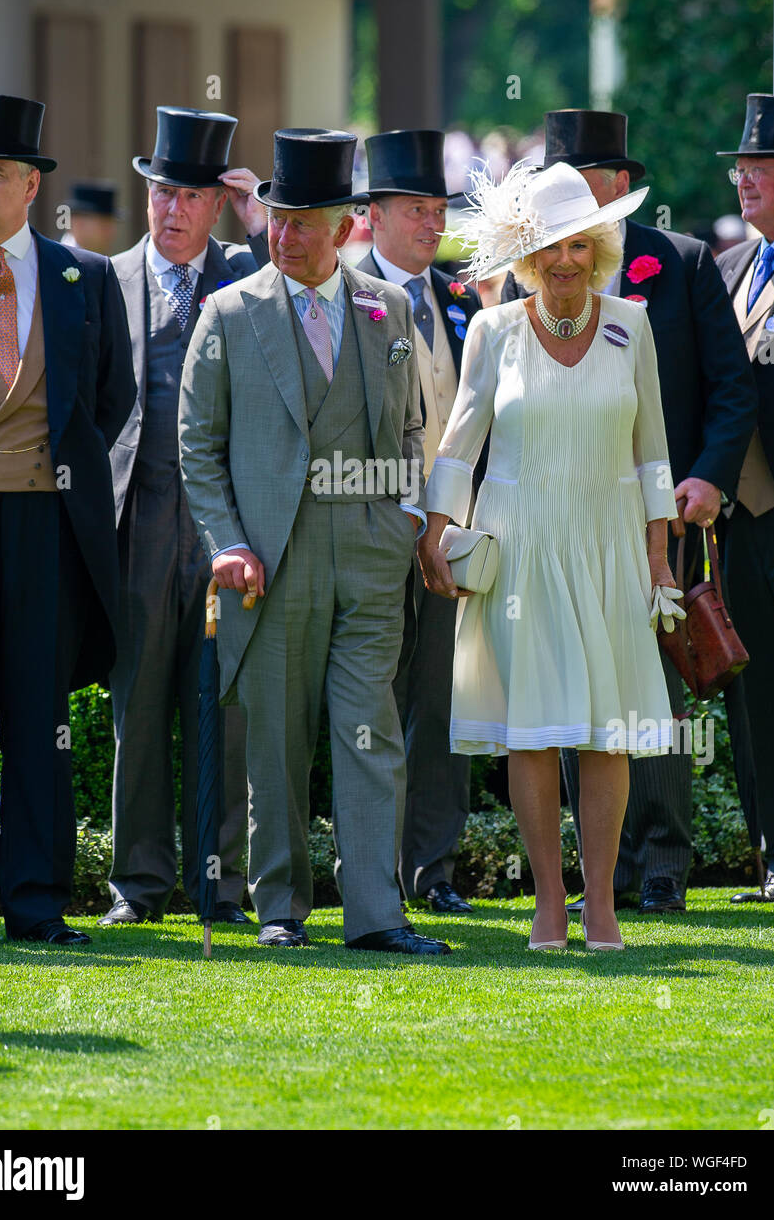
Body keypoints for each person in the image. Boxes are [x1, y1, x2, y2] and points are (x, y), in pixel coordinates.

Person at [179, 127, 449, 955]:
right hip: (270, 560)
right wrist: (226, 542)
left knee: (370, 733)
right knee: (278, 739)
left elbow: (409, 427)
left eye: (303, 221)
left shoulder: (389, 309)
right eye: (276, 218)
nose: (284, 235)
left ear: (344, 227)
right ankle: (280, 910)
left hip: (368, 558)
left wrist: (404, 517)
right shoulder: (228, 313)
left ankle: (377, 915)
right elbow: (197, 444)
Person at [418, 159, 680, 952]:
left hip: (608, 546)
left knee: (606, 731)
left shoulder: (631, 324)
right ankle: (548, 903)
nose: (564, 262)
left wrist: (660, 559)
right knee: (529, 731)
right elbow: (460, 442)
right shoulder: (493, 330)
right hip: (519, 547)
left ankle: (600, 904)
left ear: (598, 247)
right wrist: (435, 529)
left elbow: (654, 454)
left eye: (578, 245)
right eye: (549, 250)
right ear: (525, 259)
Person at [501, 111, 756, 914]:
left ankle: (660, 867)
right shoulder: (522, 282)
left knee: (649, 691)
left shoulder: (679, 263)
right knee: (567, 690)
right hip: (550, 523)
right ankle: (593, 877)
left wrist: (708, 479)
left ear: (619, 186)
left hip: (655, 520)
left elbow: (730, 387)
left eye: (588, 182)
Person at [0, 92, 135, 949]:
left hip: (50, 528)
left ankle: (40, 901)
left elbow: (113, 396)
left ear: (30, 185)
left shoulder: (80, 279)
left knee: (38, 717)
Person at [101, 106, 269, 927]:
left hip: (225, 529)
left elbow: (309, 289)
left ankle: (221, 889)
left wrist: (260, 218)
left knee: (223, 711)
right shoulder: (104, 279)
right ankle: (137, 887)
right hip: (138, 526)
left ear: (216, 204)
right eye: (162, 192)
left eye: (191, 197)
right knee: (137, 709)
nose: (171, 210)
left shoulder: (246, 273)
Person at [359, 128, 481, 915]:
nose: (432, 223)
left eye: (439, 208)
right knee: (368, 700)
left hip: (450, 529)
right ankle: (367, 868)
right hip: (368, 526)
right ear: (372, 215)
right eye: (416, 209)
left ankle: (430, 870)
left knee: (441, 699)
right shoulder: (345, 294)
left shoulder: (464, 299)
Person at [715, 93, 774, 904]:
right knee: (759, 692)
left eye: (761, 166)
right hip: (743, 526)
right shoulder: (730, 266)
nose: (743, 179)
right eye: (740, 167)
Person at [60, 181, 123, 255]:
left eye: (112, 225)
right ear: (78, 224)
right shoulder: (54, 260)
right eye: (104, 225)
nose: (112, 232)